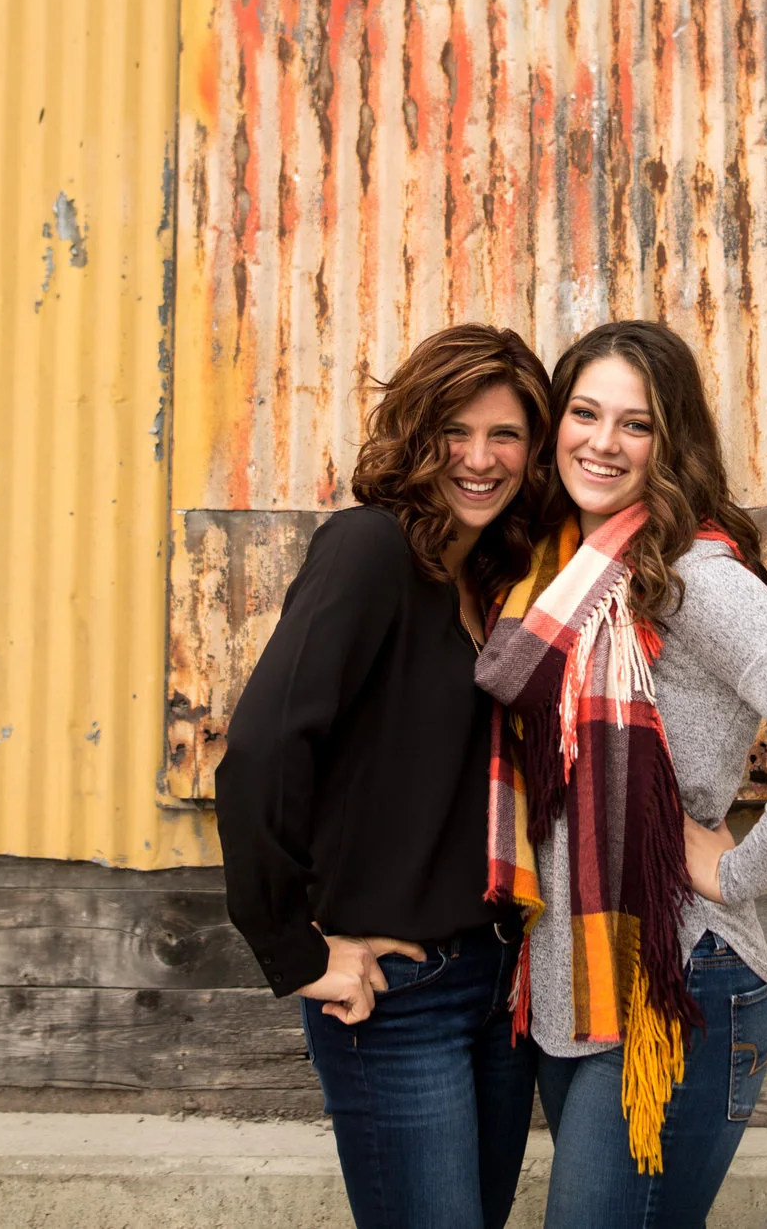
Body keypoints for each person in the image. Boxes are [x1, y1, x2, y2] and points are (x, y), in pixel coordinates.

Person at [477, 319, 767, 1228]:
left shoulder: (693, 575)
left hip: (676, 978)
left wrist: (738, 871)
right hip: (581, 978)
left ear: (671, 441)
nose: (603, 442)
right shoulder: (554, 575)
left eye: (637, 423)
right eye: (585, 413)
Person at [216, 324, 553, 1229]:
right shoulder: (369, 549)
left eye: (506, 434)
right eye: (455, 431)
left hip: (501, 982)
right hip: (401, 993)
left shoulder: (496, 580)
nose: (479, 458)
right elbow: (261, 752)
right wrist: (297, 952)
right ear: (415, 433)